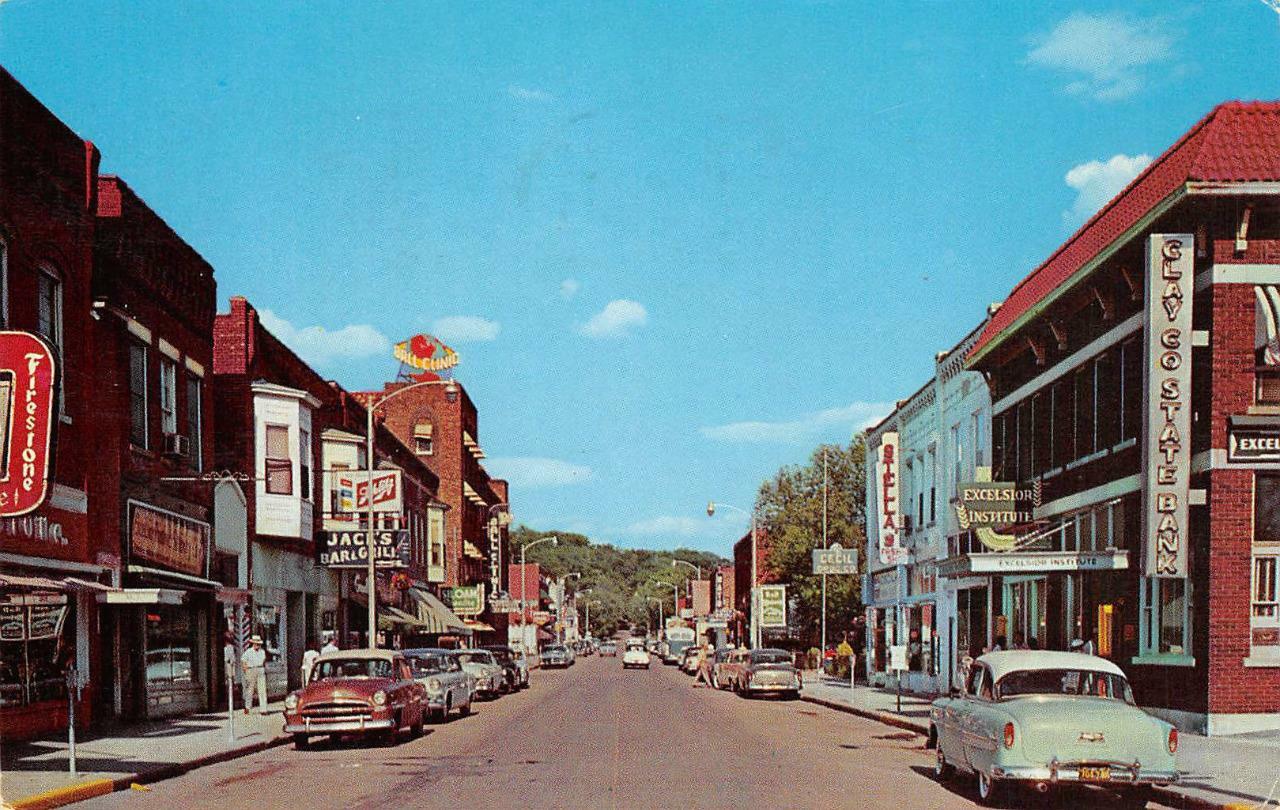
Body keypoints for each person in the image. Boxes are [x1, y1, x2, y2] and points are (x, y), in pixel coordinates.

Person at [240, 634, 268, 715]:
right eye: (256, 643)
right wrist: (246, 670)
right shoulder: (248, 652)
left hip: (260, 669)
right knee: (250, 690)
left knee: (262, 690)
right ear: (253, 643)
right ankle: (247, 707)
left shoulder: (262, 651)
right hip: (251, 669)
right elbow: (243, 661)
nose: (257, 645)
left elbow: (264, 661)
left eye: (258, 644)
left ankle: (263, 709)